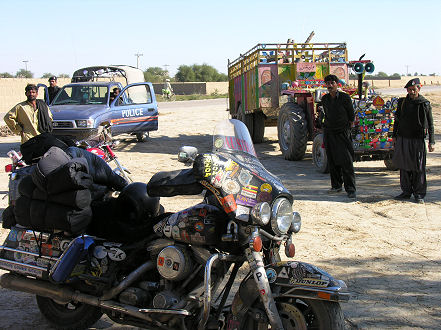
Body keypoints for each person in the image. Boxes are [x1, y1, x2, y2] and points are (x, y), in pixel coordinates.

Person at [392, 78, 435, 203]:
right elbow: (397, 121)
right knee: (404, 167)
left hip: (417, 140)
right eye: (409, 90)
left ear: (419, 89)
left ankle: (419, 194)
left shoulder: (424, 104)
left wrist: (431, 142)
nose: (411, 92)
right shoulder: (402, 103)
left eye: (413, 90)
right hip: (403, 139)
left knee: (418, 167)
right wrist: (394, 136)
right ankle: (406, 192)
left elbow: (431, 124)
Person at [321, 74, 356, 199]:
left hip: (342, 133)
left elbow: (351, 116)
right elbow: (324, 115)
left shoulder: (345, 98)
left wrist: (346, 129)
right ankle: (336, 186)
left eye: (332, 83)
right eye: (328, 83)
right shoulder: (325, 99)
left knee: (346, 161)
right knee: (332, 160)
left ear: (337, 84)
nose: (330, 86)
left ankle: (351, 189)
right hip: (330, 132)